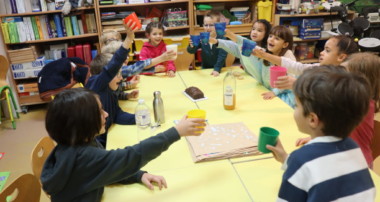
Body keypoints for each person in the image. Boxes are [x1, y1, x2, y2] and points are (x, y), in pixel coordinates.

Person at [41, 88, 206, 202]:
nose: (106, 114)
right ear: (82, 122)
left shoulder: (75, 142)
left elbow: (108, 167)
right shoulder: (83, 156)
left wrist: (137, 175)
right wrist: (176, 132)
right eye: (99, 112)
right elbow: (130, 157)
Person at [267, 66, 375, 201]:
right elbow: (324, 171)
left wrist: (294, 162)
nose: (295, 110)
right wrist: (285, 159)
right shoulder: (352, 146)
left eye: (296, 106)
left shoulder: (301, 159)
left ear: (312, 119)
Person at [295, 53, 380, 168]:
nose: (338, 78)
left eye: (344, 76)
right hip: (345, 155)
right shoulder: (358, 100)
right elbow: (336, 125)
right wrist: (318, 134)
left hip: (356, 163)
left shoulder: (361, 103)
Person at [211, 25, 296, 108]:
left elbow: (290, 79)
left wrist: (274, 93)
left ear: (285, 44)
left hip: (285, 93)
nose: (271, 39)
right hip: (269, 89)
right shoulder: (265, 52)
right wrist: (223, 39)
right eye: (270, 36)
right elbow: (249, 45)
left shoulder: (288, 55)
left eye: (277, 38)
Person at [85, 20, 137, 147]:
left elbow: (117, 115)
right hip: (96, 144)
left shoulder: (111, 90)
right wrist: (129, 38)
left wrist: (140, 118)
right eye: (117, 74)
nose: (121, 78)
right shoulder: (97, 85)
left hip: (107, 138)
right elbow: (112, 66)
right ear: (105, 75)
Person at [252, 35, 358, 89]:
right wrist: (264, 55)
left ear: (341, 57)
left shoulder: (345, 81)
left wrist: (298, 84)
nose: (321, 52)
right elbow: (296, 67)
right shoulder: (319, 67)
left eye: (327, 50)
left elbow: (325, 93)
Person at [96, 41, 175, 101]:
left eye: (127, 55)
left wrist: (128, 93)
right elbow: (135, 68)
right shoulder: (113, 71)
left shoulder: (115, 75)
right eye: (123, 56)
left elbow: (117, 91)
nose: (127, 58)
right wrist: (161, 58)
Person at [187, 11, 228, 77]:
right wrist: (191, 46)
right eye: (206, 25)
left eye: (211, 25)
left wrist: (217, 69)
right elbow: (191, 51)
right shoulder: (202, 37)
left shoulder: (222, 39)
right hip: (205, 69)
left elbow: (222, 56)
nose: (208, 28)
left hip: (220, 69)